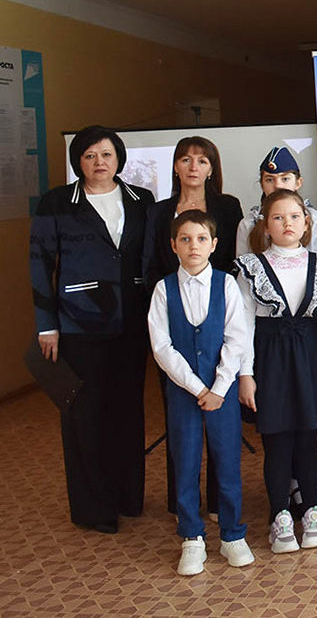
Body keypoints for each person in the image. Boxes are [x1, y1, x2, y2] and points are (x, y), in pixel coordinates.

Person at [30, 125, 153, 534]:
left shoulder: (141, 199)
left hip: (131, 323)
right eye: (89, 155)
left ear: (119, 158)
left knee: (128, 412)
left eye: (106, 154)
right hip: (78, 325)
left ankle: (127, 497)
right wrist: (46, 325)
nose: (99, 162)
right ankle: (93, 508)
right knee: (85, 416)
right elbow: (39, 264)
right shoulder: (57, 203)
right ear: (78, 161)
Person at [236, 189, 317, 553]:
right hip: (270, 359)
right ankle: (280, 515)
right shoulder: (250, 267)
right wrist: (245, 374)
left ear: (306, 223)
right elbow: (244, 324)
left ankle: (312, 511)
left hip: (310, 356)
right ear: (266, 225)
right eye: (278, 217)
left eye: (295, 217)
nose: (287, 224)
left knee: (308, 438)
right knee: (277, 440)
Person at [147, 210, 254, 575]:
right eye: (186, 239)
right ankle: (192, 536)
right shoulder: (163, 290)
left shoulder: (226, 285)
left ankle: (232, 534)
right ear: (173, 245)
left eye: (201, 239)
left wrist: (219, 386)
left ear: (214, 244)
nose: (194, 246)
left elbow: (237, 338)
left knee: (227, 460)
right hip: (183, 391)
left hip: (222, 391)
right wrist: (196, 387)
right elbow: (162, 348)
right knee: (186, 460)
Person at [143, 135, 244, 522]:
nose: (193, 167)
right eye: (185, 159)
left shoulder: (228, 206)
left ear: (212, 168)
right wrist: (170, 297)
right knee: (181, 425)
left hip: (218, 311)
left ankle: (219, 505)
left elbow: (236, 259)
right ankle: (183, 507)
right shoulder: (159, 211)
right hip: (174, 319)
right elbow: (150, 263)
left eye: (202, 160)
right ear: (175, 166)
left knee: (221, 426)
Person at [236, 147, 317, 256]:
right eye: (269, 180)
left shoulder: (315, 222)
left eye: (285, 179)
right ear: (262, 185)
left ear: (298, 183)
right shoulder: (248, 224)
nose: (278, 185)